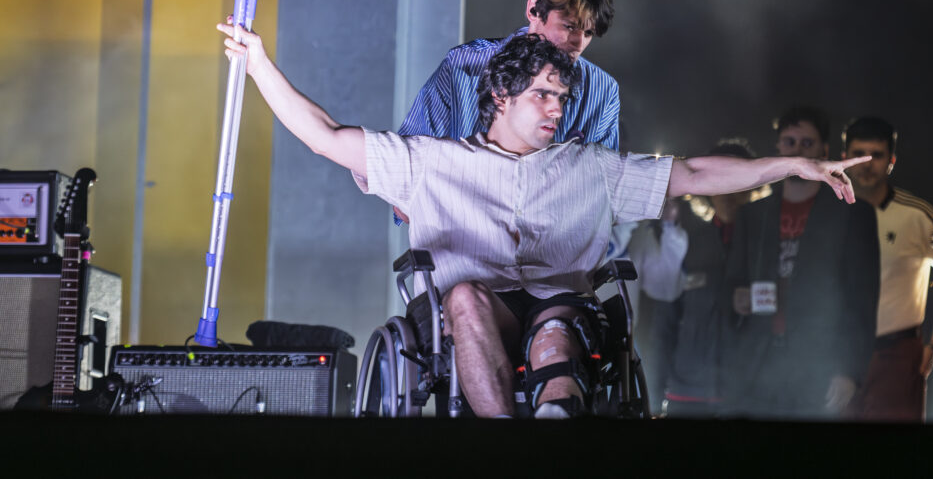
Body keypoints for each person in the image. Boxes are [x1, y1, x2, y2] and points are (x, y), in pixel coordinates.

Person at [218, 24, 869, 418]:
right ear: (501, 95)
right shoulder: (432, 161)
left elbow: (695, 174)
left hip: (561, 306)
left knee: (555, 331)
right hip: (474, 308)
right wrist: (259, 65)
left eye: (562, 97)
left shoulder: (589, 166)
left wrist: (794, 167)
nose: (557, 108)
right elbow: (327, 137)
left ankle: (557, 420)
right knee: (465, 297)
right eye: (543, 95)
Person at [723, 107, 880, 420]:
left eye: (807, 143)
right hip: (756, 364)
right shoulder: (753, 215)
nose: (797, 151)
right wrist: (736, 298)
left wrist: (849, 370)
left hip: (819, 362)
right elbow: (731, 282)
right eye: (789, 142)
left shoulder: (852, 214)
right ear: (778, 148)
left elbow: (862, 300)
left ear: (824, 151)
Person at [399, 0, 620, 148]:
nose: (579, 44)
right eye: (569, 27)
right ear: (534, 10)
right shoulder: (462, 67)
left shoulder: (602, 91)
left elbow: (603, 178)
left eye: (588, 33)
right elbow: (411, 159)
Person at [842, 116, 933, 422]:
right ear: (844, 158)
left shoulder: (917, 215)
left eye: (876, 155)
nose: (866, 164)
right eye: (858, 154)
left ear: (891, 161)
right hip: (835, 351)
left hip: (897, 355)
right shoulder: (828, 214)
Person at [630, 138, 766, 418]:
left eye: (737, 182)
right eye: (720, 181)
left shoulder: (766, 246)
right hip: (687, 392)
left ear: (753, 186)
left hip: (749, 392)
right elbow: (663, 324)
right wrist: (653, 396)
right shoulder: (685, 243)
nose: (728, 192)